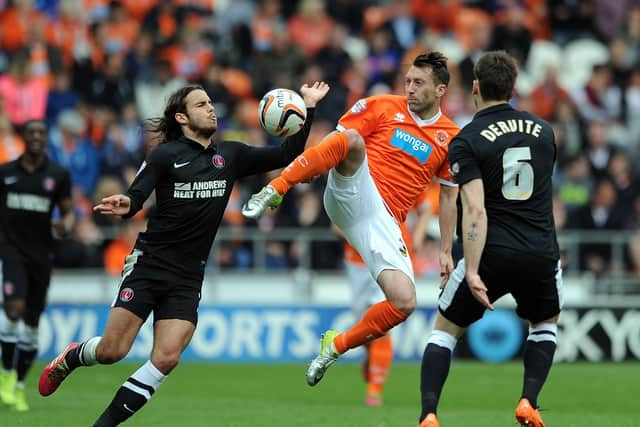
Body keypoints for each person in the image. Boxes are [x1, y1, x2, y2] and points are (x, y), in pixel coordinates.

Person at [37, 82, 329, 426]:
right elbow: (137, 195)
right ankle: (72, 357)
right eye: (201, 104)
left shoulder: (230, 156)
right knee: (113, 351)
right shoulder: (165, 155)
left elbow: (285, 153)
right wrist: (126, 202)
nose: (211, 108)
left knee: (167, 356)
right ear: (182, 117)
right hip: (150, 264)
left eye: (210, 102)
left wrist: (307, 108)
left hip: (188, 275)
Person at [242, 52, 460, 387]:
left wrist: (446, 249)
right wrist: (307, 169)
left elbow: (448, 195)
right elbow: (338, 140)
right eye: (408, 81)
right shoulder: (382, 106)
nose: (410, 88)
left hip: (384, 223)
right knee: (354, 141)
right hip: (356, 190)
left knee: (404, 302)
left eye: (419, 83)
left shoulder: (451, 137)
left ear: (441, 89)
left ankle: (335, 347)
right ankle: (275, 188)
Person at [417, 51, 562, 427]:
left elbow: (476, 210)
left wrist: (473, 272)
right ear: (514, 88)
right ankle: (528, 400)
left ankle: (429, 414)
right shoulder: (545, 132)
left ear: (476, 87)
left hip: (493, 252)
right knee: (545, 323)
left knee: (445, 330)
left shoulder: (467, 140)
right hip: (540, 252)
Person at [0, 120, 74, 411]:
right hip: (11, 251)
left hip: (41, 255)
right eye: (30, 133)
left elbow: (68, 213)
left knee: (31, 321)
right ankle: (5, 373)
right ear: (24, 138)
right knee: (13, 309)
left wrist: (64, 226)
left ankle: (18, 384)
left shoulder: (57, 175)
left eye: (41, 133)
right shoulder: (5, 173)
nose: (35, 137)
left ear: (45, 139)